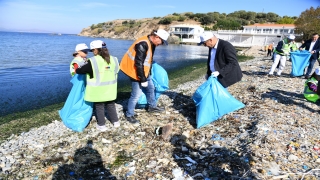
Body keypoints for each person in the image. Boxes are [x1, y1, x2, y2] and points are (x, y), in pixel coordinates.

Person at [120, 29, 170, 124]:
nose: (161, 44)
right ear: (156, 37)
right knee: (136, 95)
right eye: (162, 41)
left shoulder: (151, 43)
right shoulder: (143, 44)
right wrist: (142, 79)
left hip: (144, 71)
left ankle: (152, 107)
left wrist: (149, 73)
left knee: (151, 88)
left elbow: (148, 60)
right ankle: (129, 114)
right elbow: (138, 63)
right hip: (135, 72)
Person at [76, 40, 120, 131]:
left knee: (99, 106)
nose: (92, 53)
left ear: (95, 50)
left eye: (92, 50)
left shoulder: (93, 61)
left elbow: (80, 71)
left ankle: (101, 125)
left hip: (98, 91)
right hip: (110, 89)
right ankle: (116, 122)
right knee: (111, 105)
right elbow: (116, 71)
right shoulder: (114, 59)